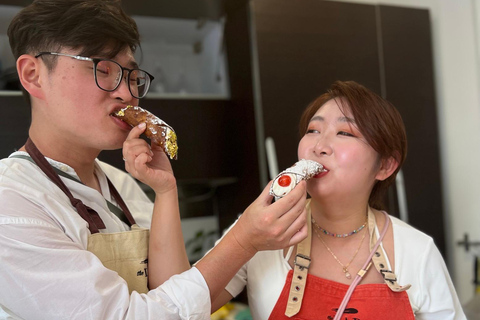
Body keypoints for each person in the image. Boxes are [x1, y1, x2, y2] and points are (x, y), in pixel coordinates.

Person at [0, 0, 308, 319]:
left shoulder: (120, 184)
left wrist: (166, 191)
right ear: (33, 75)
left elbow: (175, 296)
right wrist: (244, 240)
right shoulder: (11, 201)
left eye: (133, 77)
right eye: (102, 70)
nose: (125, 93)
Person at [209, 80, 466, 319]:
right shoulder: (261, 231)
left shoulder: (417, 251)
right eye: (312, 130)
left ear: (385, 166)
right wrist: (168, 191)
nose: (319, 146)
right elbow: (180, 305)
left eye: (344, 132)